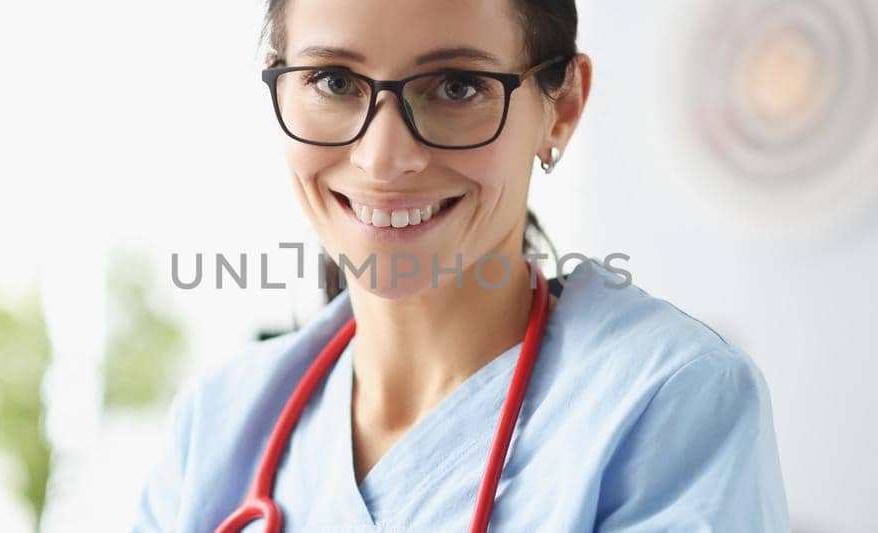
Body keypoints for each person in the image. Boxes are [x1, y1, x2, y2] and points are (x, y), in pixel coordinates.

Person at [133, 0, 790, 530]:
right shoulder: (214, 429)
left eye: (456, 86)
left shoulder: (666, 402)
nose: (383, 157)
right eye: (333, 80)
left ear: (560, 111)